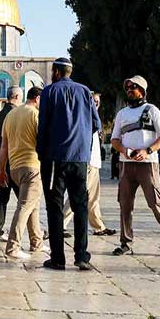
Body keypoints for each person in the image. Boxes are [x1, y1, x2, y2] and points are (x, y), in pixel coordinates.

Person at [37, 57, 100, 271]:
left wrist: (41, 154)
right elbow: (95, 124)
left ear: (56, 72)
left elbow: (43, 126)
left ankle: (58, 258)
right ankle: (81, 255)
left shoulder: (49, 92)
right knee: (80, 206)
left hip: (55, 158)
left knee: (54, 207)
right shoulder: (85, 92)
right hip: (80, 159)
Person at [110, 75, 160, 257]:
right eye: (128, 87)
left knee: (156, 202)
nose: (130, 90)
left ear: (143, 90)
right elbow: (114, 140)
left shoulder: (152, 110)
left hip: (147, 164)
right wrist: (124, 150)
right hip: (126, 164)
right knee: (125, 204)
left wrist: (147, 151)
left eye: (134, 87)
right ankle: (125, 242)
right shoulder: (122, 114)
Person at [0, 87, 46, 260]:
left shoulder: (10, 115)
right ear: (38, 98)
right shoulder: (35, 115)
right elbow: (42, 142)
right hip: (32, 166)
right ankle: (12, 247)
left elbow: (4, 146)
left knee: (33, 203)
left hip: (15, 168)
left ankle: (37, 242)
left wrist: (2, 170)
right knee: (25, 206)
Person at [62, 92, 116, 237]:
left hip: (94, 163)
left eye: (98, 101)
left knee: (93, 197)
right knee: (78, 194)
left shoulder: (93, 117)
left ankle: (98, 226)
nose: (96, 103)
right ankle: (60, 224)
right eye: (93, 100)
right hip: (86, 162)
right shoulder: (84, 116)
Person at [0, 87, 22, 242]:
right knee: (24, 199)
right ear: (16, 96)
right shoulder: (16, 114)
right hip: (13, 161)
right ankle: (32, 231)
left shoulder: (0, 115)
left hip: (1, 161)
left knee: (3, 196)